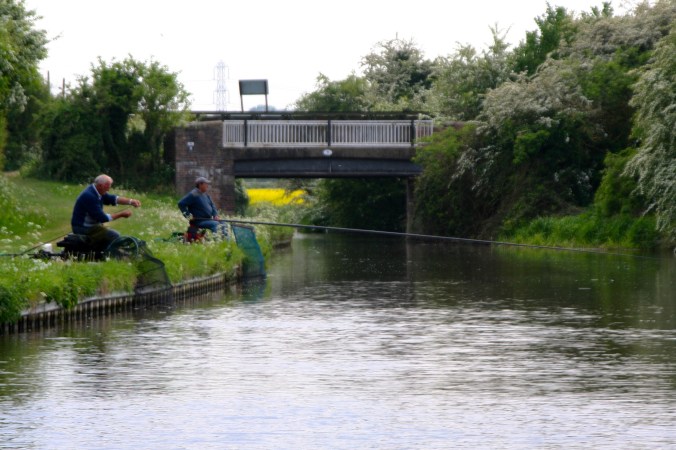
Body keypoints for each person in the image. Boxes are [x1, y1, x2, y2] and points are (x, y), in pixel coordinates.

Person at [71, 174, 141, 250]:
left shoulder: (97, 190)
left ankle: (102, 252)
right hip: (82, 228)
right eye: (107, 186)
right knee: (114, 235)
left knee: (109, 233)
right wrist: (121, 214)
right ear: (100, 185)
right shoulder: (89, 196)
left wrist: (131, 201)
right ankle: (105, 255)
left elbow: (113, 199)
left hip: (90, 226)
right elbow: (103, 218)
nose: (108, 189)